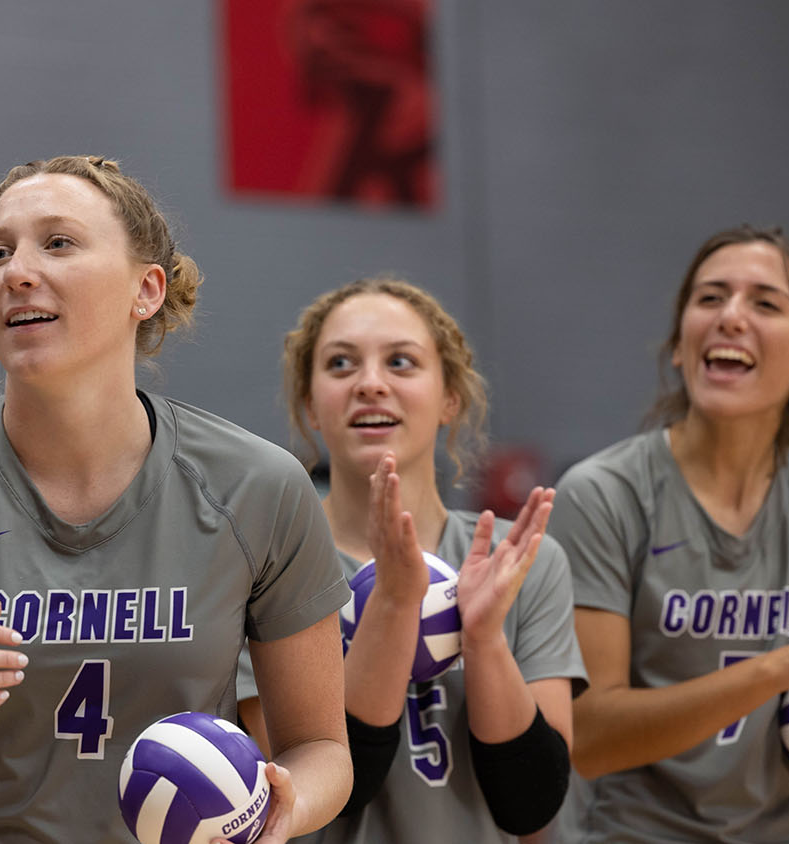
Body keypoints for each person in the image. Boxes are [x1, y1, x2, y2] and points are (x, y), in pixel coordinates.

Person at [0, 155, 353, 842]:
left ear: (146, 290)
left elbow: (321, 748)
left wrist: (283, 808)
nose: (17, 272)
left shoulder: (260, 487)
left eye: (58, 242)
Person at [237, 277, 586, 843]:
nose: (370, 383)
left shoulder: (522, 563)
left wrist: (485, 639)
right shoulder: (264, 561)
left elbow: (532, 806)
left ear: (450, 397)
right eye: (341, 364)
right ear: (310, 404)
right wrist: (396, 604)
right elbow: (310, 799)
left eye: (401, 362)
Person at [552, 225, 789, 842]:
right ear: (678, 345)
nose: (731, 317)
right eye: (710, 298)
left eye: (765, 303)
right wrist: (776, 670)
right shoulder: (603, 495)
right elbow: (588, 736)